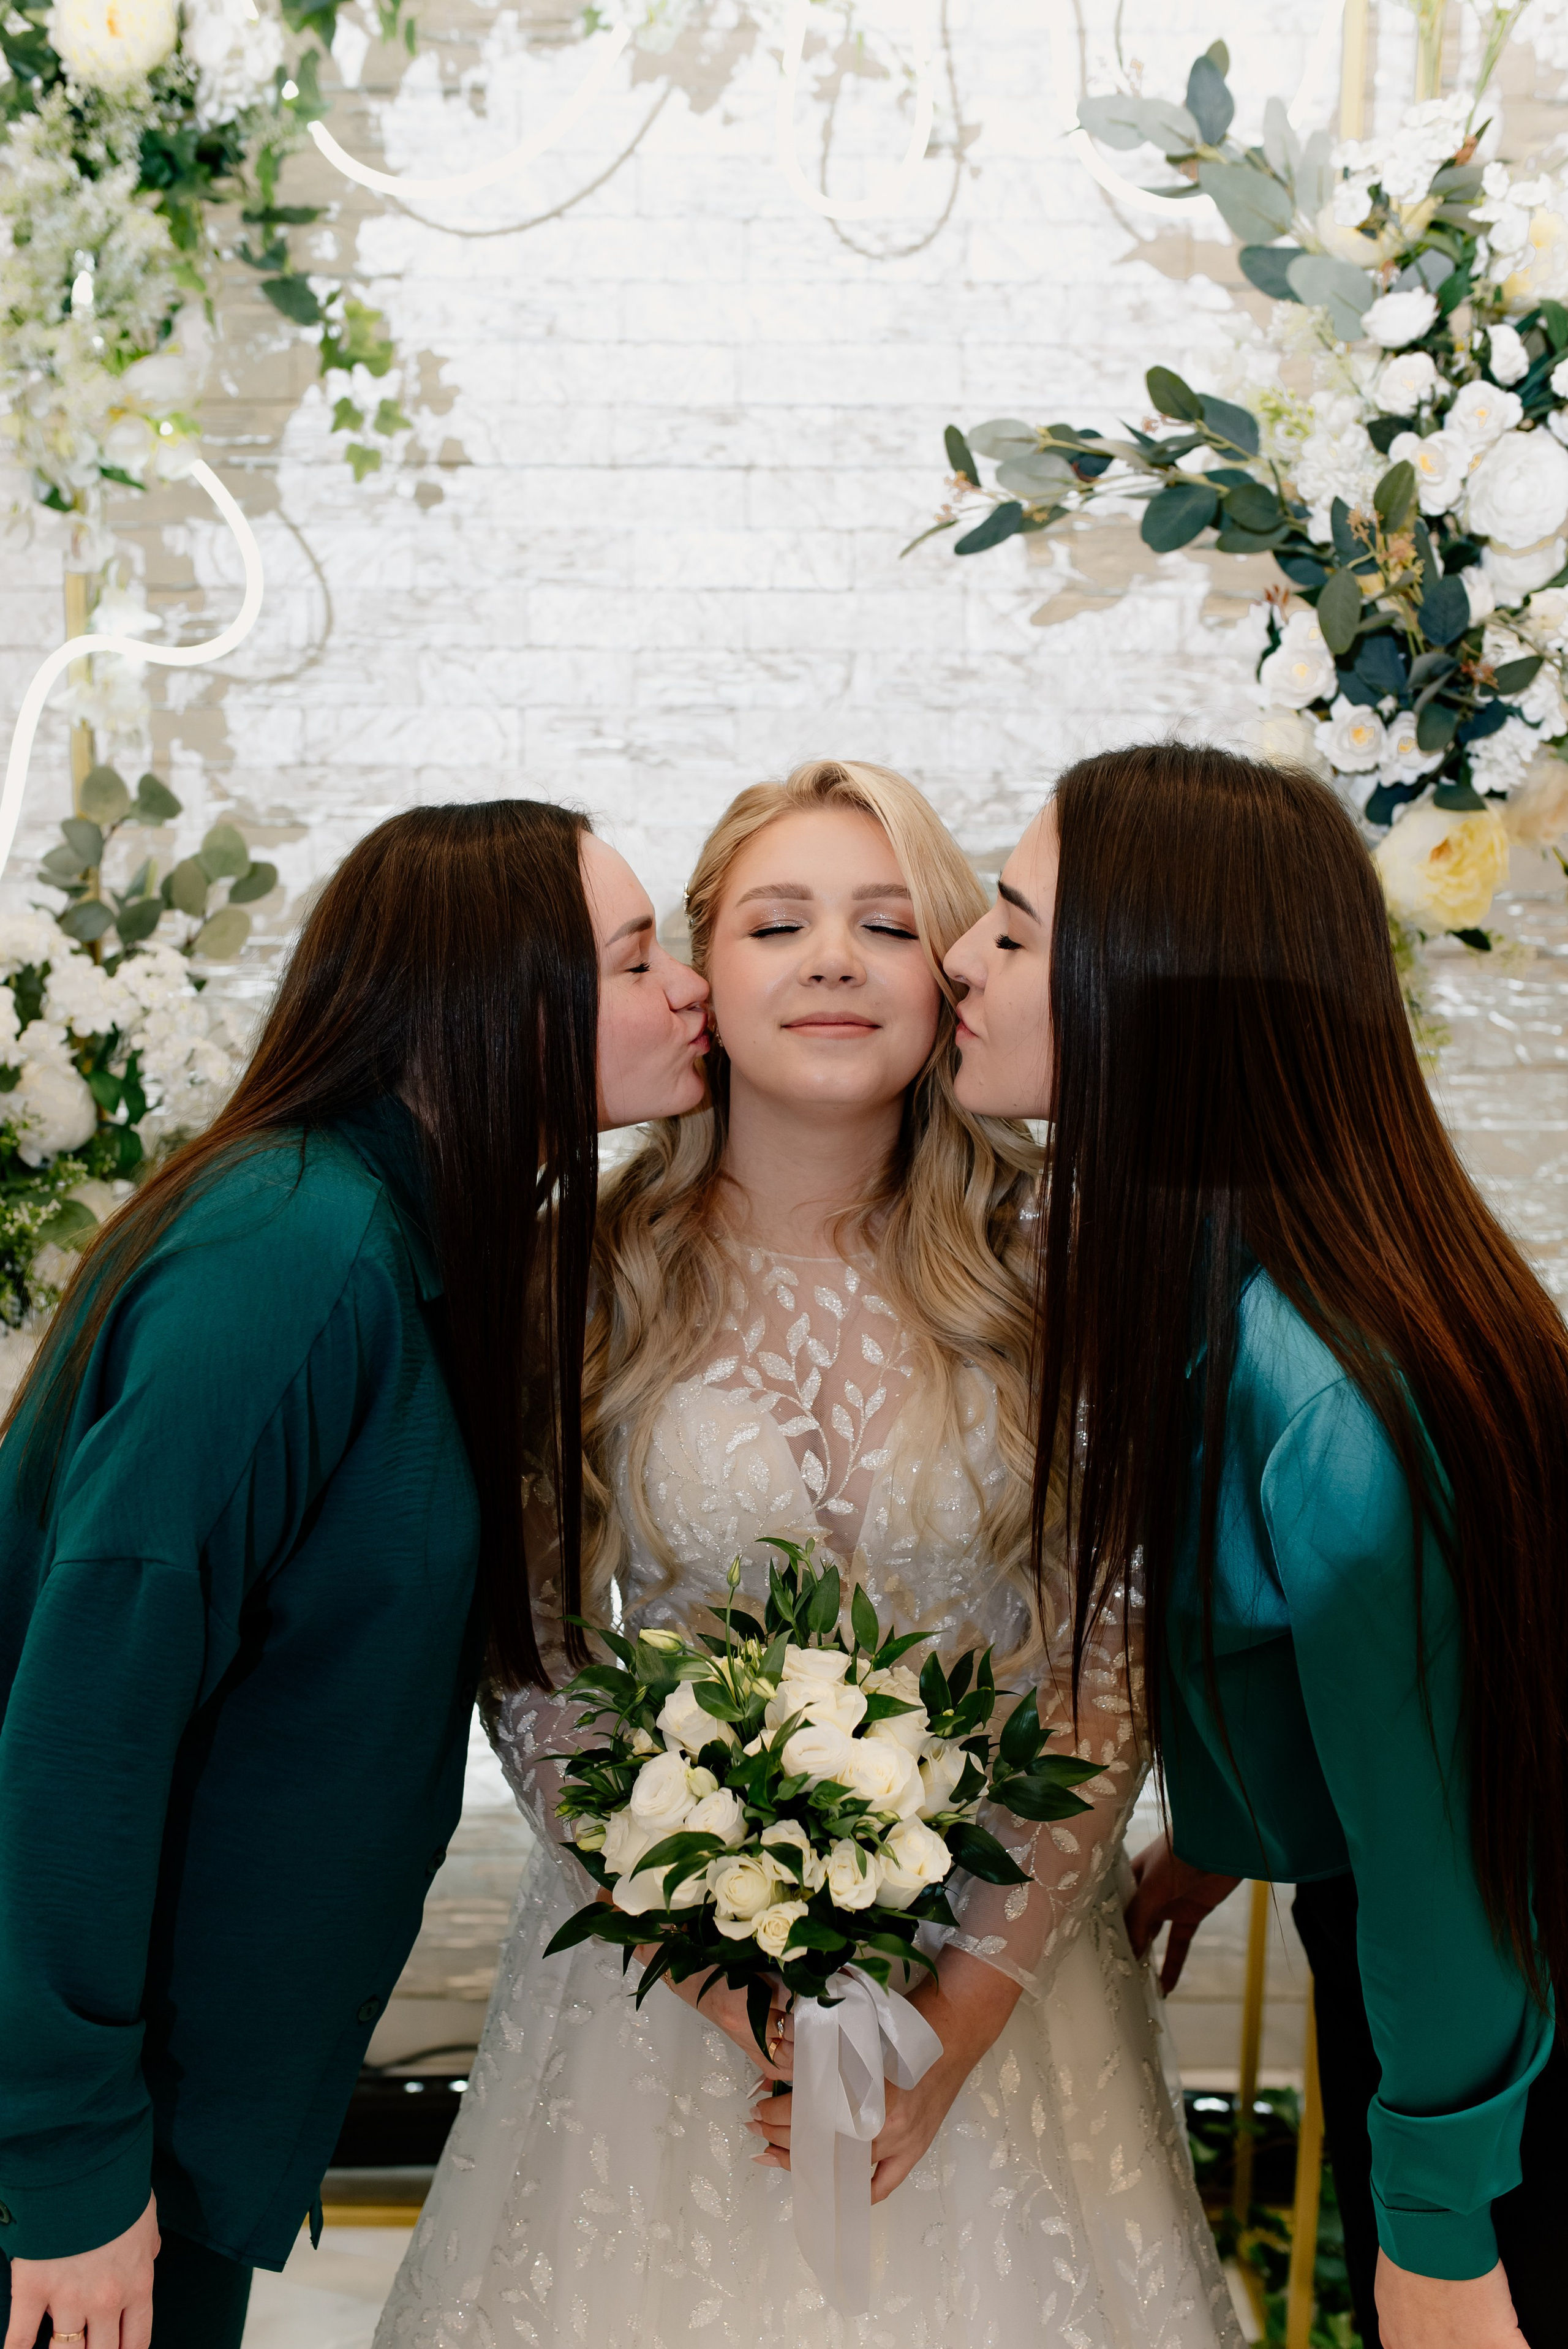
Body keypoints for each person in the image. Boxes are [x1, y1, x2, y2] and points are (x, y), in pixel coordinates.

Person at [376, 759, 1241, 2349]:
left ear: (957, 978)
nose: (836, 958)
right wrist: (745, 1995)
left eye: (892, 923)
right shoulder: (576, 1271)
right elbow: (539, 1668)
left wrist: (952, 2021)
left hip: (1003, 1985)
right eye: (781, 922)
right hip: (665, 2004)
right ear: (703, 976)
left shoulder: (1069, 1254)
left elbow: (1100, 1658)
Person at [0, 799, 710, 2349]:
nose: (691, 989)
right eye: (637, 956)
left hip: (178, 2121)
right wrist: (56, 2162)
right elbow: (86, 1706)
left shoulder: (391, 1237)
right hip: (73, 2154)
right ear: (495, 996)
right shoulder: (294, 1251)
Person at [942, 740, 1568, 2349]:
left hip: (1500, 2024)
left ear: (1152, 988)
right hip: (1447, 1981)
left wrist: (1439, 2229)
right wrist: (1225, 1824)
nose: (960, 959)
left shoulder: (1344, 1388)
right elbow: (1306, 1643)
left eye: (1013, 931)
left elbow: (1458, 1850)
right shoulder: (1204, 1258)